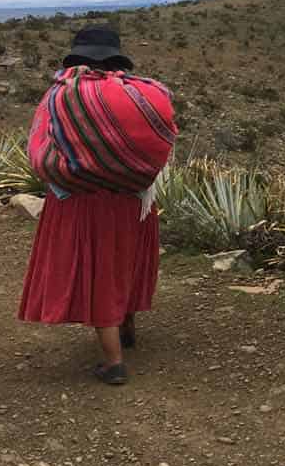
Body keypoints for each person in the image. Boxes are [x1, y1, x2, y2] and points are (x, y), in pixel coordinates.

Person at [17, 27, 177, 385]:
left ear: (77, 57)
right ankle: (128, 326)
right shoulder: (145, 95)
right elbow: (161, 145)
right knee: (127, 263)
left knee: (100, 273)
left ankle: (113, 362)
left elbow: (41, 150)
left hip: (83, 205)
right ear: (116, 59)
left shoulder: (61, 97)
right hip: (135, 202)